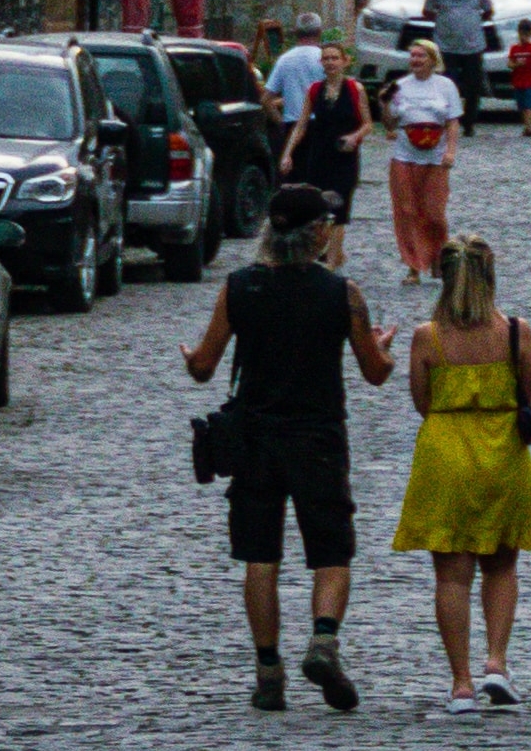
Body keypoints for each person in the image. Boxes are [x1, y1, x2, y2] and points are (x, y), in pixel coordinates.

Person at [182, 184, 400, 714]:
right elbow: (375, 373)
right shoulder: (341, 293)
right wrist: (386, 349)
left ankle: (268, 671)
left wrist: (189, 356)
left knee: (261, 556)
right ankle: (323, 639)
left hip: (255, 438)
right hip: (318, 437)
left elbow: (205, 367)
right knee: (331, 551)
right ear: (319, 234)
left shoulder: (238, 287)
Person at [393, 235, 531, 713]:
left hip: (446, 454)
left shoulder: (426, 337)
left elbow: (422, 402)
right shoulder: (517, 332)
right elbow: (528, 393)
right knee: (501, 565)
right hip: (502, 453)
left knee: (451, 578)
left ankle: (460, 684)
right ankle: (496, 663)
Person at [384, 38, 464, 285]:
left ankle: (438, 258)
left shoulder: (445, 85)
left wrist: (450, 151)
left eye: (421, 56)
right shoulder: (399, 86)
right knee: (406, 211)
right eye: (413, 56)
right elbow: (389, 125)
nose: (415, 60)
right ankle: (413, 266)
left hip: (435, 158)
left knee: (434, 213)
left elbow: (452, 121)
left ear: (433, 59)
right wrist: (385, 104)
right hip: (404, 157)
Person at [281, 48, 370, 269]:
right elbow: (301, 124)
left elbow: (368, 123)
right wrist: (287, 153)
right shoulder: (314, 90)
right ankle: (333, 253)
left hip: (345, 158)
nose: (330, 63)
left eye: (335, 58)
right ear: (321, 62)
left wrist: (354, 137)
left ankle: (331, 261)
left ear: (345, 61)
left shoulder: (355, 89)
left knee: (339, 208)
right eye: (327, 59)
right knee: (320, 206)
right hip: (319, 156)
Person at [425, 0, 493, 135]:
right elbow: (428, 11)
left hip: (473, 46)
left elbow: (488, 11)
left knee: (473, 87)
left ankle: (469, 123)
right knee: (447, 86)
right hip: (446, 46)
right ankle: (448, 121)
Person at [267, 14, 328, 131]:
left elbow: (266, 99)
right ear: (319, 32)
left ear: (296, 33)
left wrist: (281, 124)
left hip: (292, 123)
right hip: (320, 123)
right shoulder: (326, 58)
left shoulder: (284, 60)